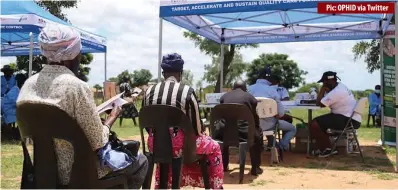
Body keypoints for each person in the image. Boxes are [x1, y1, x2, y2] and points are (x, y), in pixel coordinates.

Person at [17, 24, 148, 188]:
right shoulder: (76, 87)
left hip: (42, 173)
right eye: (79, 51)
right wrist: (111, 118)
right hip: (81, 173)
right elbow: (98, 142)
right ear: (72, 54)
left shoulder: (28, 86)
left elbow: (32, 135)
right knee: (141, 161)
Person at [142, 53, 223, 189]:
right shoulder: (187, 92)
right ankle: (214, 187)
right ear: (180, 73)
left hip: (155, 146)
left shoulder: (149, 91)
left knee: (173, 147)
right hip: (181, 148)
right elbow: (197, 129)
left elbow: (147, 124)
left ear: (163, 73)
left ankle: (166, 184)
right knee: (214, 147)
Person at [214, 80, 263, 176]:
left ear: (233, 88)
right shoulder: (250, 97)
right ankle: (255, 167)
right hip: (244, 134)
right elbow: (253, 117)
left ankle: (224, 166)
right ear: (245, 89)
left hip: (225, 134)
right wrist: (257, 128)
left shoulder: (224, 97)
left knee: (224, 133)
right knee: (258, 135)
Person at [310, 71, 361, 157]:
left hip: (347, 120)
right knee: (321, 122)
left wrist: (322, 90)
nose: (323, 84)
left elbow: (320, 103)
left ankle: (327, 149)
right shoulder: (341, 86)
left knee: (314, 124)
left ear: (330, 81)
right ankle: (327, 147)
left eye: (324, 82)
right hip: (350, 118)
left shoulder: (337, 92)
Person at [248, 68, 296, 151]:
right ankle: (280, 147)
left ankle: (270, 145)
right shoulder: (272, 91)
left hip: (252, 125)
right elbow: (280, 113)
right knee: (292, 129)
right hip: (269, 125)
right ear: (269, 78)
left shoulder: (248, 89)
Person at [1, 73, 26, 141]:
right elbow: (16, 102)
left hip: (11, 108)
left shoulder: (17, 89)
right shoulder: (15, 90)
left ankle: (16, 133)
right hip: (8, 109)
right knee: (24, 115)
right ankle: (16, 134)